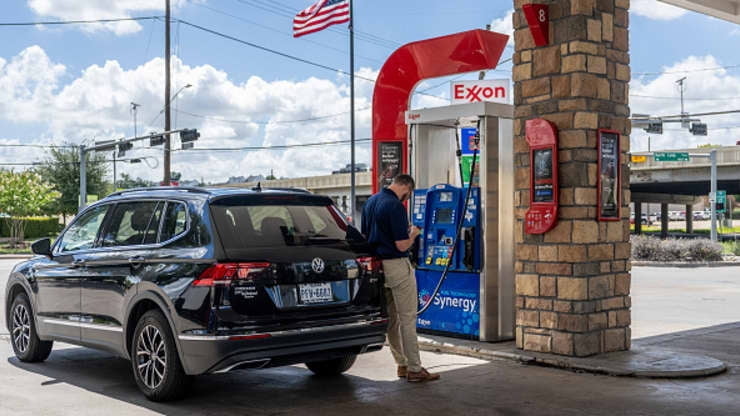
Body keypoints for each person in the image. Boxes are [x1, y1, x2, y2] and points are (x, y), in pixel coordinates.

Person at [361, 174, 440, 383]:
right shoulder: (395, 206)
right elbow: (402, 245)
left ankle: (402, 364)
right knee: (407, 318)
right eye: (408, 195)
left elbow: (365, 237)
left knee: (392, 320)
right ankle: (415, 369)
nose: (406, 198)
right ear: (407, 188)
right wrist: (413, 233)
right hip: (397, 265)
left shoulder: (371, 202)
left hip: (378, 267)